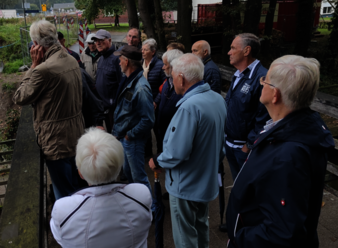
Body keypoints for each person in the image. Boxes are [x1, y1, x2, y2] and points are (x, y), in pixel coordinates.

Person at [226, 55, 335, 248]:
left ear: (275, 95)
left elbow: (282, 233)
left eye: (264, 80)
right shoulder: (283, 130)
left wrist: (239, 239)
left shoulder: (289, 155)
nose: (261, 83)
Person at [149, 54, 227, 247]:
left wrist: (157, 161)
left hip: (186, 185)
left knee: (185, 237)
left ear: (181, 78)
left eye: (173, 75)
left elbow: (177, 152)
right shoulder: (217, 99)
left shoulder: (189, 107)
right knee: (201, 229)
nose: (172, 80)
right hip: (205, 181)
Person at [13, 20, 84, 200]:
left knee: (65, 196)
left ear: (36, 45)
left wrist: (33, 66)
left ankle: (69, 226)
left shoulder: (43, 70)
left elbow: (19, 97)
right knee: (76, 188)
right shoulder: (71, 59)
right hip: (75, 136)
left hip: (56, 143)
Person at [50, 128, 152, 248]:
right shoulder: (141, 196)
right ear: (119, 168)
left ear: (81, 173)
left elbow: (60, 238)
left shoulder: (63, 211)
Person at [112, 45, 155, 210]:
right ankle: (137, 203)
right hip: (125, 138)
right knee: (129, 174)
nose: (118, 62)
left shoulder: (141, 88)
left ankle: (151, 209)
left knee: (139, 178)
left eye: (120, 59)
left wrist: (130, 135)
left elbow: (148, 120)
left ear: (127, 61)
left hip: (133, 140)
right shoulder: (128, 79)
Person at [225, 33, 270, 180]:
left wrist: (248, 145)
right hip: (230, 145)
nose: (228, 52)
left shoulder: (262, 78)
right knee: (238, 187)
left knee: (249, 192)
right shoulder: (238, 74)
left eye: (232, 48)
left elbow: (265, 117)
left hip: (244, 150)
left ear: (246, 51)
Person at [153, 49, 183, 152]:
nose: (163, 67)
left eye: (165, 64)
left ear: (174, 65)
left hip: (174, 137)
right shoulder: (167, 81)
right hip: (163, 130)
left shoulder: (182, 87)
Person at [93, 29, 122, 133]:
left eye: (101, 40)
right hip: (102, 109)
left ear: (109, 40)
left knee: (116, 139)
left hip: (114, 111)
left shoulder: (117, 59)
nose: (98, 43)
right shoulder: (101, 58)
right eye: (96, 40)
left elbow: (123, 85)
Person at [142, 38, 166, 156]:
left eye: (145, 50)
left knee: (158, 131)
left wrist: (156, 102)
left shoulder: (160, 65)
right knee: (145, 130)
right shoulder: (140, 64)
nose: (142, 52)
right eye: (142, 49)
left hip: (156, 105)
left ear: (153, 51)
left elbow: (165, 86)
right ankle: (148, 155)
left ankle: (160, 155)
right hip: (143, 104)